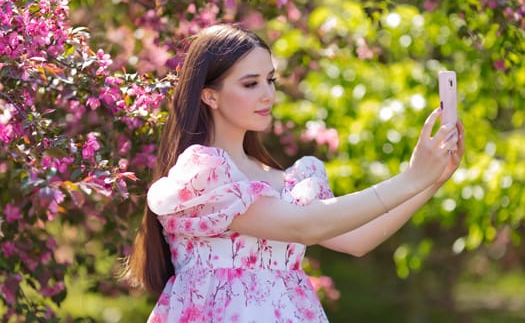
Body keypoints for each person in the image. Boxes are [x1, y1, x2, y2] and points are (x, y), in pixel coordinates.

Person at [125, 23, 464, 322]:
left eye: (270, 80)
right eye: (250, 84)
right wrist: (410, 178)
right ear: (209, 95)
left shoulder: (281, 180)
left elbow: (357, 239)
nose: (267, 95)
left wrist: (430, 181)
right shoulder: (202, 176)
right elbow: (306, 226)